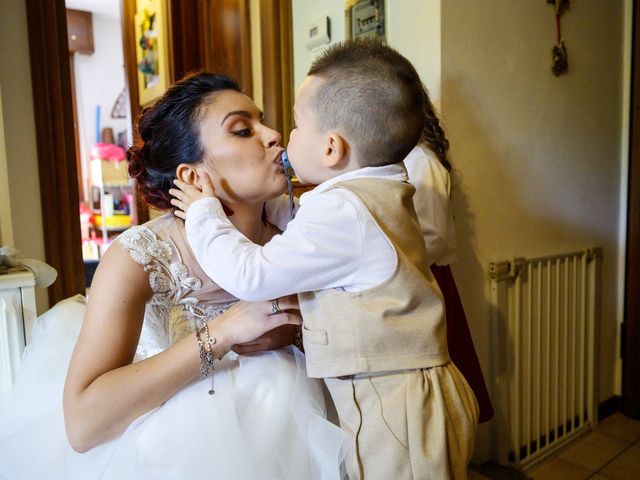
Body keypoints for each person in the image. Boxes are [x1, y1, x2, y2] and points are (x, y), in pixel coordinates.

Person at [0, 72, 348, 480]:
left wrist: (296, 334)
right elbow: (82, 425)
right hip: (177, 445)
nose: (273, 135)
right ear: (190, 176)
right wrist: (225, 331)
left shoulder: (304, 230)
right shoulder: (141, 257)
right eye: (242, 130)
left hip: (303, 427)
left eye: (263, 121)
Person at [171, 38, 478, 479]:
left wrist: (204, 212)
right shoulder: (376, 192)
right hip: (410, 395)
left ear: (331, 149)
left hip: (397, 409)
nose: (281, 135)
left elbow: (252, 275)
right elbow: (309, 229)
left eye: (296, 126)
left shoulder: (344, 211)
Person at [404, 86, 494, 424]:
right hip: (421, 278)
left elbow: (435, 238)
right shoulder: (406, 159)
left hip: (431, 280)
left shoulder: (421, 161)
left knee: (444, 375)